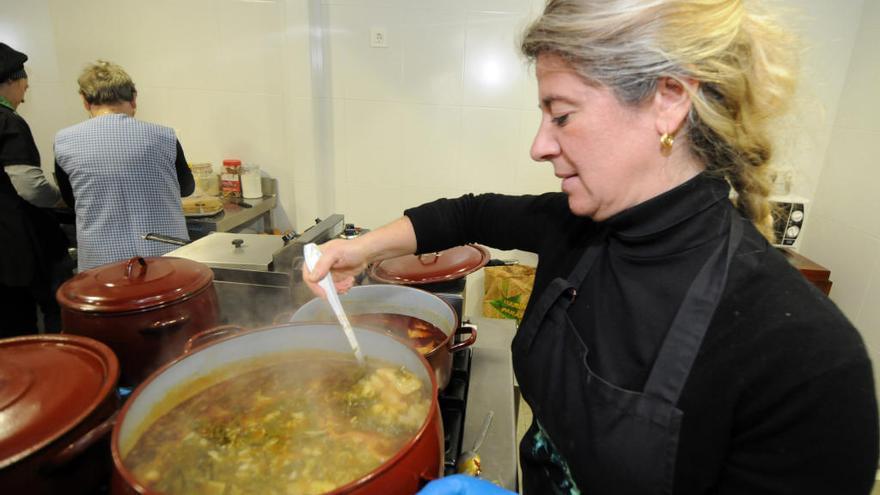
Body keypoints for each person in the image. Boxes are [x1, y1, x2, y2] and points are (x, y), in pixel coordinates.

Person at [304, 1, 879, 494]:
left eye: (561, 114)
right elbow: (468, 212)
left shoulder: (806, 362)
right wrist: (360, 250)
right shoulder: (575, 227)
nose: (538, 145)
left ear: (670, 99)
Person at [54, 60, 195, 272]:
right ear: (134, 97)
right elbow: (187, 188)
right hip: (164, 257)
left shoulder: (64, 141)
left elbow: (71, 199)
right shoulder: (164, 136)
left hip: (102, 264)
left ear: (84, 100)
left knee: (113, 306)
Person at [0, 42, 71, 336]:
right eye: (24, 88)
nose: (24, 98)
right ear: (10, 82)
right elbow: (29, 185)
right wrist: (60, 199)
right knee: (21, 330)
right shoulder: (7, 121)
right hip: (12, 252)